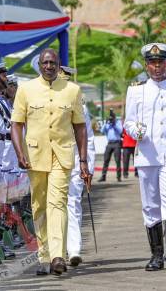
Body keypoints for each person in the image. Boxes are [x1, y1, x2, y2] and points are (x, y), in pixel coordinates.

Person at [11, 48, 89, 276]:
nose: (48, 66)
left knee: (58, 202)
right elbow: (16, 124)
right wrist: (19, 152)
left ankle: (57, 256)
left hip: (62, 155)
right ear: (39, 65)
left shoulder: (72, 90)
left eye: (52, 63)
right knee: (40, 205)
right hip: (35, 157)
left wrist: (83, 159)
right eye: (45, 63)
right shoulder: (26, 90)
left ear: (58, 64)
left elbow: (80, 127)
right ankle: (44, 254)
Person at [124, 42, 166, 272]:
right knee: (150, 206)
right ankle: (156, 254)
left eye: (161, 62)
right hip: (147, 155)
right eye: (153, 63)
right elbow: (128, 121)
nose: (157, 67)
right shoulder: (136, 90)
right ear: (146, 66)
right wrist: (136, 131)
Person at [59, 66, 96, 267]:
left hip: (74, 161)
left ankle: (73, 249)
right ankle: (57, 249)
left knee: (72, 203)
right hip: (53, 162)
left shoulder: (79, 103)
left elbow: (87, 136)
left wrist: (86, 164)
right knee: (54, 206)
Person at [98, 109, 123, 182]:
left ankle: (119, 177)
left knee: (117, 160)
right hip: (109, 143)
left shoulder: (118, 122)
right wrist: (106, 123)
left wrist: (114, 124)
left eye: (112, 118)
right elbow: (102, 131)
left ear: (115, 117)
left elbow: (120, 131)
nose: (111, 119)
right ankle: (103, 176)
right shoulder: (108, 123)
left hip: (117, 143)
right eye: (110, 118)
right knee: (106, 160)